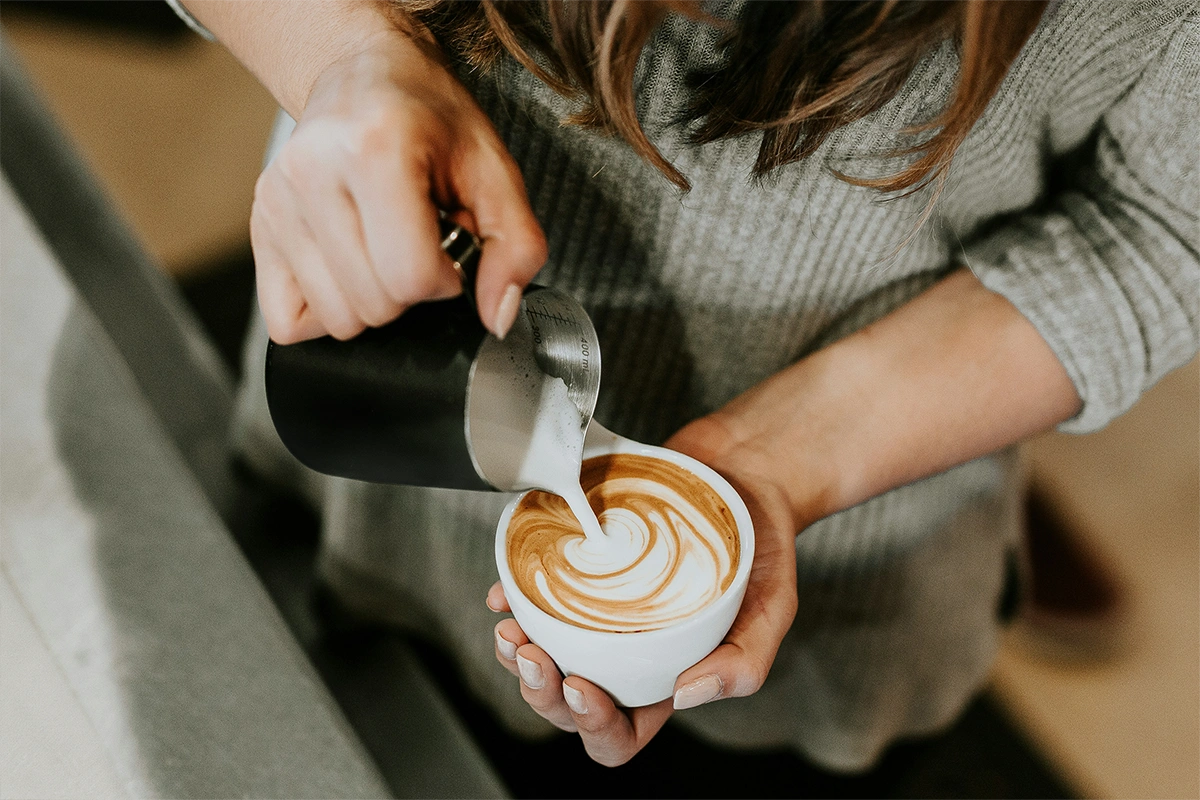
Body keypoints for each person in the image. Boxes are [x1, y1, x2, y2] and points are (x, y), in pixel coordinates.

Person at [171, 0, 1200, 771]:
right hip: (377, 457)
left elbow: (1161, 229)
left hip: (839, 595)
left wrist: (784, 460)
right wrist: (342, 58)